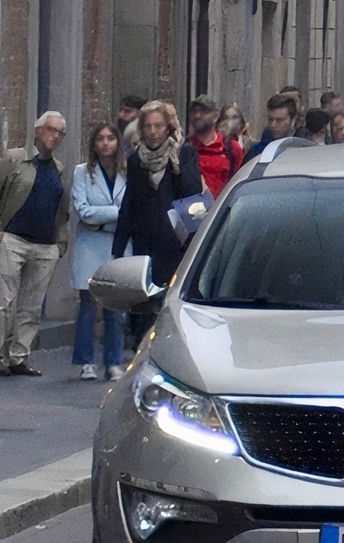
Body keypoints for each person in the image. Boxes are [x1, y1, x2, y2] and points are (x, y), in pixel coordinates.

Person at [0, 111, 71, 378]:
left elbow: (62, 212)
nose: (55, 136)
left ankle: (18, 356)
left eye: (60, 133)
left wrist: (60, 244)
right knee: (3, 302)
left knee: (31, 306)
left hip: (45, 246)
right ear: (37, 130)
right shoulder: (14, 159)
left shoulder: (58, 169)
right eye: (51, 130)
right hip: (12, 240)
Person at [114, 99, 203, 342]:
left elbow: (192, 194)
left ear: (169, 128)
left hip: (177, 242)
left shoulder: (185, 152)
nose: (153, 132)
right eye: (148, 126)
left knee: (171, 303)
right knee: (146, 305)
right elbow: (129, 204)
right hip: (145, 242)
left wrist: (176, 164)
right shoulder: (135, 160)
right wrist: (118, 249)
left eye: (159, 126)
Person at [69, 122, 125, 383]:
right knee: (89, 304)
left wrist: (101, 220)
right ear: (93, 144)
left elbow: (130, 212)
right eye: (100, 139)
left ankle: (114, 362)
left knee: (115, 305)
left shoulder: (128, 173)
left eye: (110, 138)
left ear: (117, 143)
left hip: (117, 244)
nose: (105, 143)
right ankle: (86, 362)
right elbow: (82, 211)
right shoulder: (82, 173)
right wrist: (116, 215)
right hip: (90, 245)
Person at [185, 97, 245, 198]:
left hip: (221, 209)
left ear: (216, 116)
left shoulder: (231, 148)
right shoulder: (184, 148)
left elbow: (241, 181)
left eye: (203, 112)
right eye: (194, 112)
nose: (197, 115)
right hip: (191, 209)